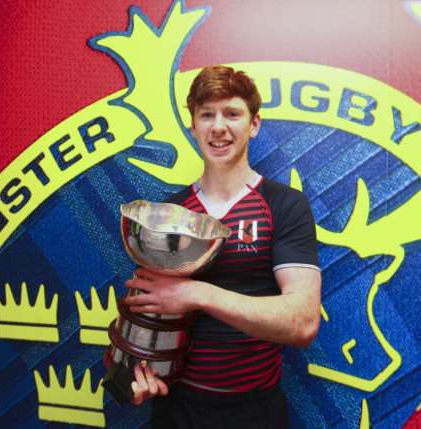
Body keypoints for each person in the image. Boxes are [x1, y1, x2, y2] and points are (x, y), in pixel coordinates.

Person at [124, 65, 321, 428]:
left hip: (255, 412)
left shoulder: (284, 205)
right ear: (193, 126)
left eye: (232, 114)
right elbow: (145, 314)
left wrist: (198, 294)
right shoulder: (168, 215)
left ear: (254, 124)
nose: (218, 126)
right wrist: (139, 373)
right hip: (177, 410)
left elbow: (304, 322)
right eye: (206, 115)